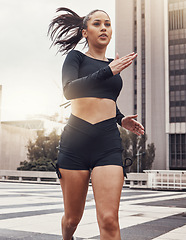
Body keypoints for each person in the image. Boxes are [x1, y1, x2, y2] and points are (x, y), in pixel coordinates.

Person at [48, 8, 144, 240]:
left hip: (107, 142)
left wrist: (121, 119)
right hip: (75, 143)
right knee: (72, 219)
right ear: (84, 33)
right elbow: (70, 90)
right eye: (97, 24)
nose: (104, 28)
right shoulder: (76, 58)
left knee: (110, 219)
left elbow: (105, 99)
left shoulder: (114, 65)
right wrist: (108, 70)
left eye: (108, 24)